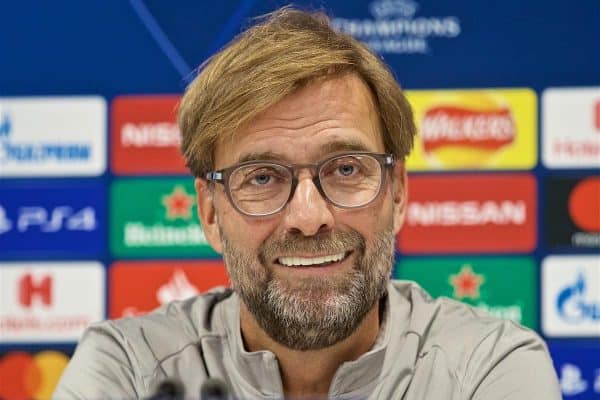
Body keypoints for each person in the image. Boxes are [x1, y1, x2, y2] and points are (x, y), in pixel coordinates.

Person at [54, 7, 561, 400]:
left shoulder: (489, 366)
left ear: (399, 191)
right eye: (262, 177)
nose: (308, 217)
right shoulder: (127, 368)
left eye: (345, 169)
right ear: (209, 211)